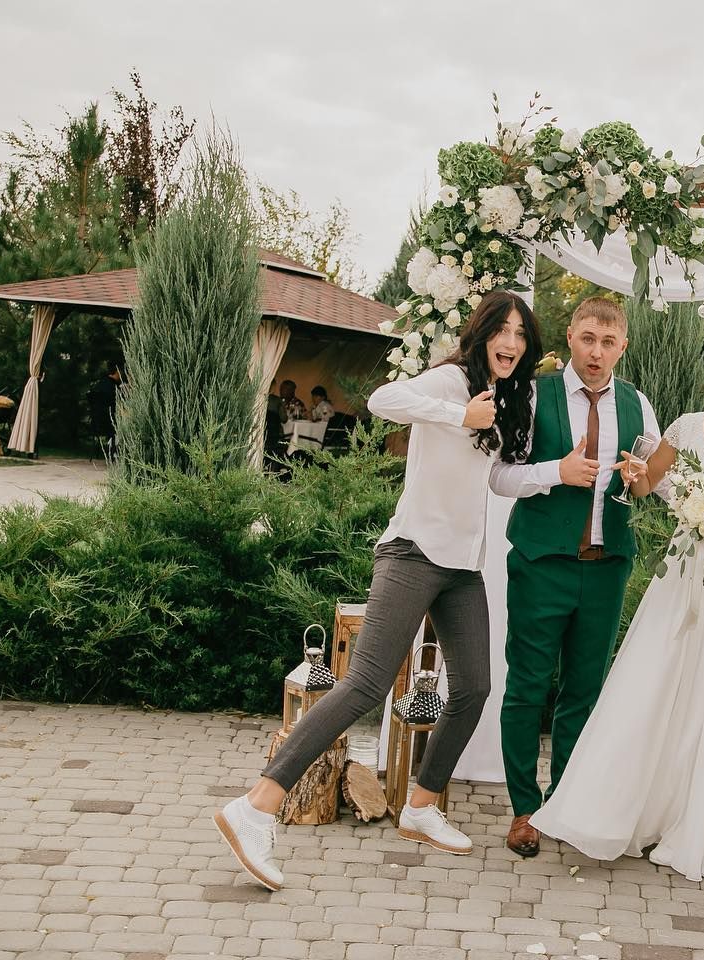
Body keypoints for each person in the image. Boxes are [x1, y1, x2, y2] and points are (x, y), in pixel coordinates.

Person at [215, 291, 543, 890]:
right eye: (504, 329)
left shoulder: (506, 397)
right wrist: (457, 415)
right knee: (366, 683)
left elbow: (496, 478)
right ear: (483, 333)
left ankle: (422, 805)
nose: (512, 342)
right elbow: (382, 400)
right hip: (413, 552)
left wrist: (556, 473)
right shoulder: (452, 381)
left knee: (474, 686)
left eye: (522, 334)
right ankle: (256, 805)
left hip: (461, 567)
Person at [529, 330, 704, 881]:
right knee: (652, 680)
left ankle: (696, 818)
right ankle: (622, 809)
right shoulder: (686, 428)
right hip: (681, 573)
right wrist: (634, 476)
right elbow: (649, 483)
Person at [488, 297, 661, 859]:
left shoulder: (638, 404)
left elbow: (654, 482)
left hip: (608, 568)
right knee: (527, 687)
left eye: (608, 343)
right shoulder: (532, 394)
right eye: (588, 339)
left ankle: (564, 803)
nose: (596, 352)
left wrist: (643, 478)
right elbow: (499, 475)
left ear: (622, 347)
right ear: (571, 337)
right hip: (542, 564)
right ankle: (524, 808)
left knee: (584, 692)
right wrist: (555, 472)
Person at [87, 364, 122, 458]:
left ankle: (114, 450)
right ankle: (116, 452)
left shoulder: (100, 384)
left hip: (96, 422)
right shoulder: (113, 386)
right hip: (109, 422)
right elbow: (116, 403)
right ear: (117, 372)